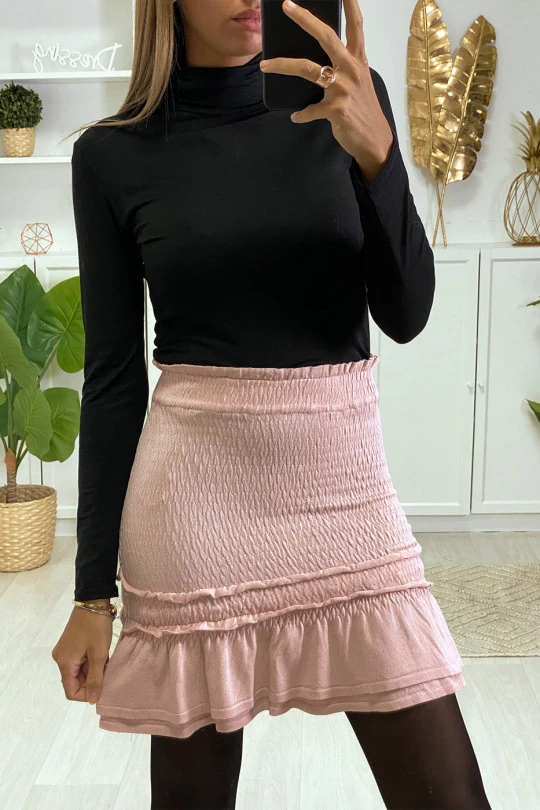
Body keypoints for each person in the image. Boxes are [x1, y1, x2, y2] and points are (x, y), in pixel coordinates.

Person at [51, 1, 493, 808]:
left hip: (347, 498)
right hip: (194, 516)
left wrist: (378, 157)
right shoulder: (112, 154)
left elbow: (407, 313)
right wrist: (91, 596)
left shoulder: (350, 103)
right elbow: (113, 378)